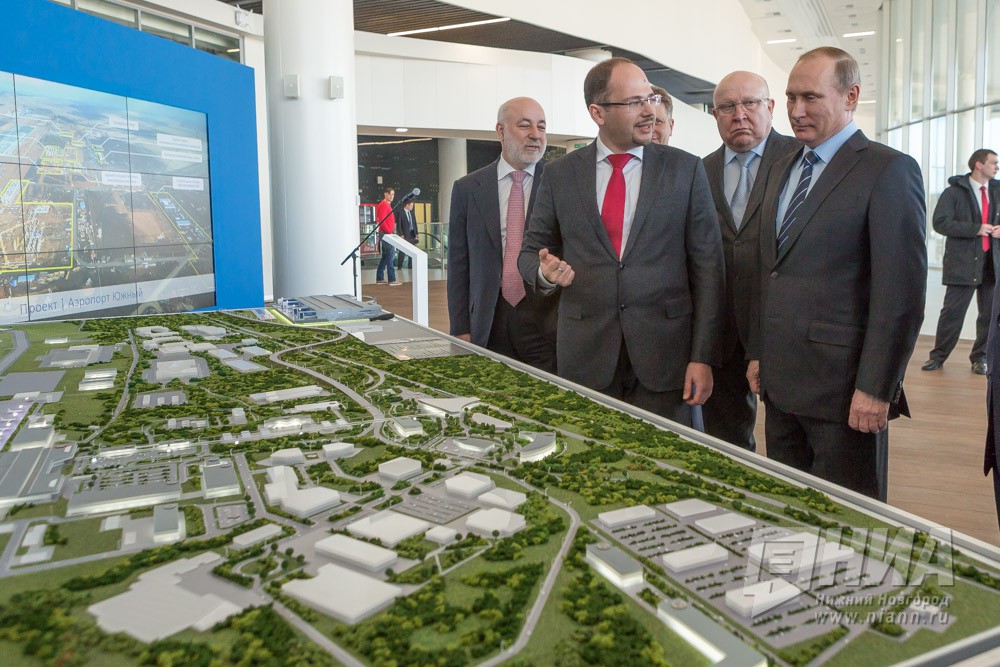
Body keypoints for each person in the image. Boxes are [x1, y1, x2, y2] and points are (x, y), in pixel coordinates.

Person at [746, 47, 927, 501]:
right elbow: (772, 272)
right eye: (791, 97)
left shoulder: (888, 169)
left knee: (847, 521)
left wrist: (877, 388)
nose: (796, 111)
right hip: (780, 387)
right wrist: (759, 352)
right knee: (788, 511)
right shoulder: (783, 165)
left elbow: (900, 295)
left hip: (845, 394)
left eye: (810, 97)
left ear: (851, 96)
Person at [518, 58, 724, 425]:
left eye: (650, 99)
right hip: (586, 356)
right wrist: (545, 273)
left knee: (668, 456)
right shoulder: (560, 174)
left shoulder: (685, 169)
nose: (649, 111)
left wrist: (702, 356)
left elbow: (709, 269)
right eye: (634, 102)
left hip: (667, 358)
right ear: (598, 113)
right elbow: (531, 252)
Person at [701, 71, 800, 451]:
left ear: (770, 107)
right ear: (714, 115)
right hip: (721, 334)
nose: (739, 114)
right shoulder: (701, 171)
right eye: (727, 106)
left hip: (783, 328)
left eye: (750, 103)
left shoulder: (801, 161)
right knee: (725, 442)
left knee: (791, 444)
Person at [447, 97, 557, 372]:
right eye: (525, 125)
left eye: (542, 127)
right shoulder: (467, 189)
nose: (536, 134)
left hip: (546, 320)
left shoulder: (561, 183)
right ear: (501, 131)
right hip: (489, 319)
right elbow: (459, 265)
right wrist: (460, 328)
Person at [922, 149, 1000, 375]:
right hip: (962, 263)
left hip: (992, 264)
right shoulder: (953, 193)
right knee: (952, 313)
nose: (997, 167)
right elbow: (940, 223)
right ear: (979, 164)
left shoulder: (998, 190)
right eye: (993, 163)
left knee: (988, 315)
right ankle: (937, 357)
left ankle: (980, 358)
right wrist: (976, 229)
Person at [375, 186, 401, 285]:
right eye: (390, 194)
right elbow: (382, 220)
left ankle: (380, 277)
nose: (391, 196)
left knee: (386, 256)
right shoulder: (384, 205)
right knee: (390, 256)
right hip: (386, 234)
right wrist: (389, 231)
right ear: (385, 194)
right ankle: (392, 279)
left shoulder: (385, 205)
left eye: (393, 194)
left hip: (386, 233)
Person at [397, 200, 418, 270]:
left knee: (412, 249)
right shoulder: (400, 213)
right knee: (402, 250)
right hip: (404, 234)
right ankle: (399, 265)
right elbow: (398, 225)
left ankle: (410, 265)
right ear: (407, 205)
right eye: (411, 205)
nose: (412, 207)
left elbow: (414, 223)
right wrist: (400, 234)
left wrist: (416, 233)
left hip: (412, 233)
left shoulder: (412, 212)